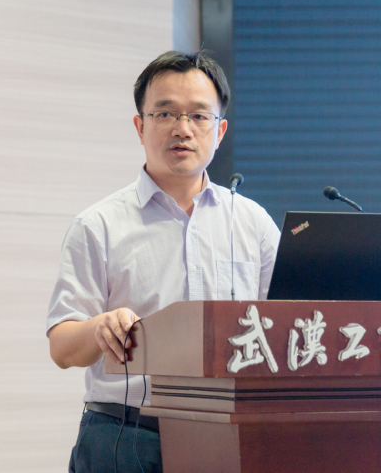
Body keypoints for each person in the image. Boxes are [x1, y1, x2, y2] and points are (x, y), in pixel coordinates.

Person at [46, 51, 280, 472]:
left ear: (220, 130)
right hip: (125, 435)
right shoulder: (99, 225)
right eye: (165, 113)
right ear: (140, 126)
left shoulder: (253, 223)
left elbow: (284, 327)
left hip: (230, 433)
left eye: (199, 116)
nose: (182, 129)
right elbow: (62, 347)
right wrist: (100, 328)